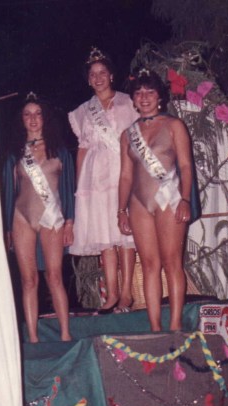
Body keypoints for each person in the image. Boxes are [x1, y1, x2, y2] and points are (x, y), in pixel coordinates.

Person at [117, 70, 194, 332]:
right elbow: (125, 176)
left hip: (169, 199)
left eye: (150, 92)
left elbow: (186, 165)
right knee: (150, 265)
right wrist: (121, 210)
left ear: (160, 96)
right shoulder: (127, 134)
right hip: (138, 204)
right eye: (139, 93)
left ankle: (175, 325)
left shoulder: (174, 126)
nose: (144, 97)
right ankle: (155, 328)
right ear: (133, 99)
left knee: (172, 262)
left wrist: (185, 199)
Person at [68, 48, 139, 313]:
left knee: (124, 235)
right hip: (95, 177)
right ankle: (111, 294)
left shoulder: (128, 102)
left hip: (123, 171)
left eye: (102, 72)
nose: (98, 78)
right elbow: (82, 149)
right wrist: (80, 185)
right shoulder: (82, 112)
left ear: (111, 75)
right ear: (88, 80)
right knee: (104, 237)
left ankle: (127, 293)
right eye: (93, 74)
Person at [3, 93, 75, 343]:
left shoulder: (60, 150)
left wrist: (70, 221)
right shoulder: (15, 153)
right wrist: (7, 228)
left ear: (45, 118)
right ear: (21, 119)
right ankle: (33, 338)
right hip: (21, 218)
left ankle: (65, 334)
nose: (33, 119)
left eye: (38, 113)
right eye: (27, 114)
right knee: (28, 280)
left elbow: (68, 188)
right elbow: (9, 191)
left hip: (52, 218)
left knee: (54, 276)